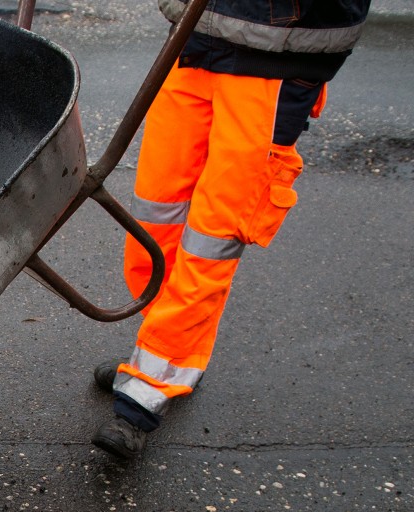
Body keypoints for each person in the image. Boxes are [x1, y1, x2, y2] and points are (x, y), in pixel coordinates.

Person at [92, 0, 372, 459]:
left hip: (275, 66)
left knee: (211, 238)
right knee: (154, 220)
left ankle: (151, 383)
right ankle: (160, 353)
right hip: (195, 43)